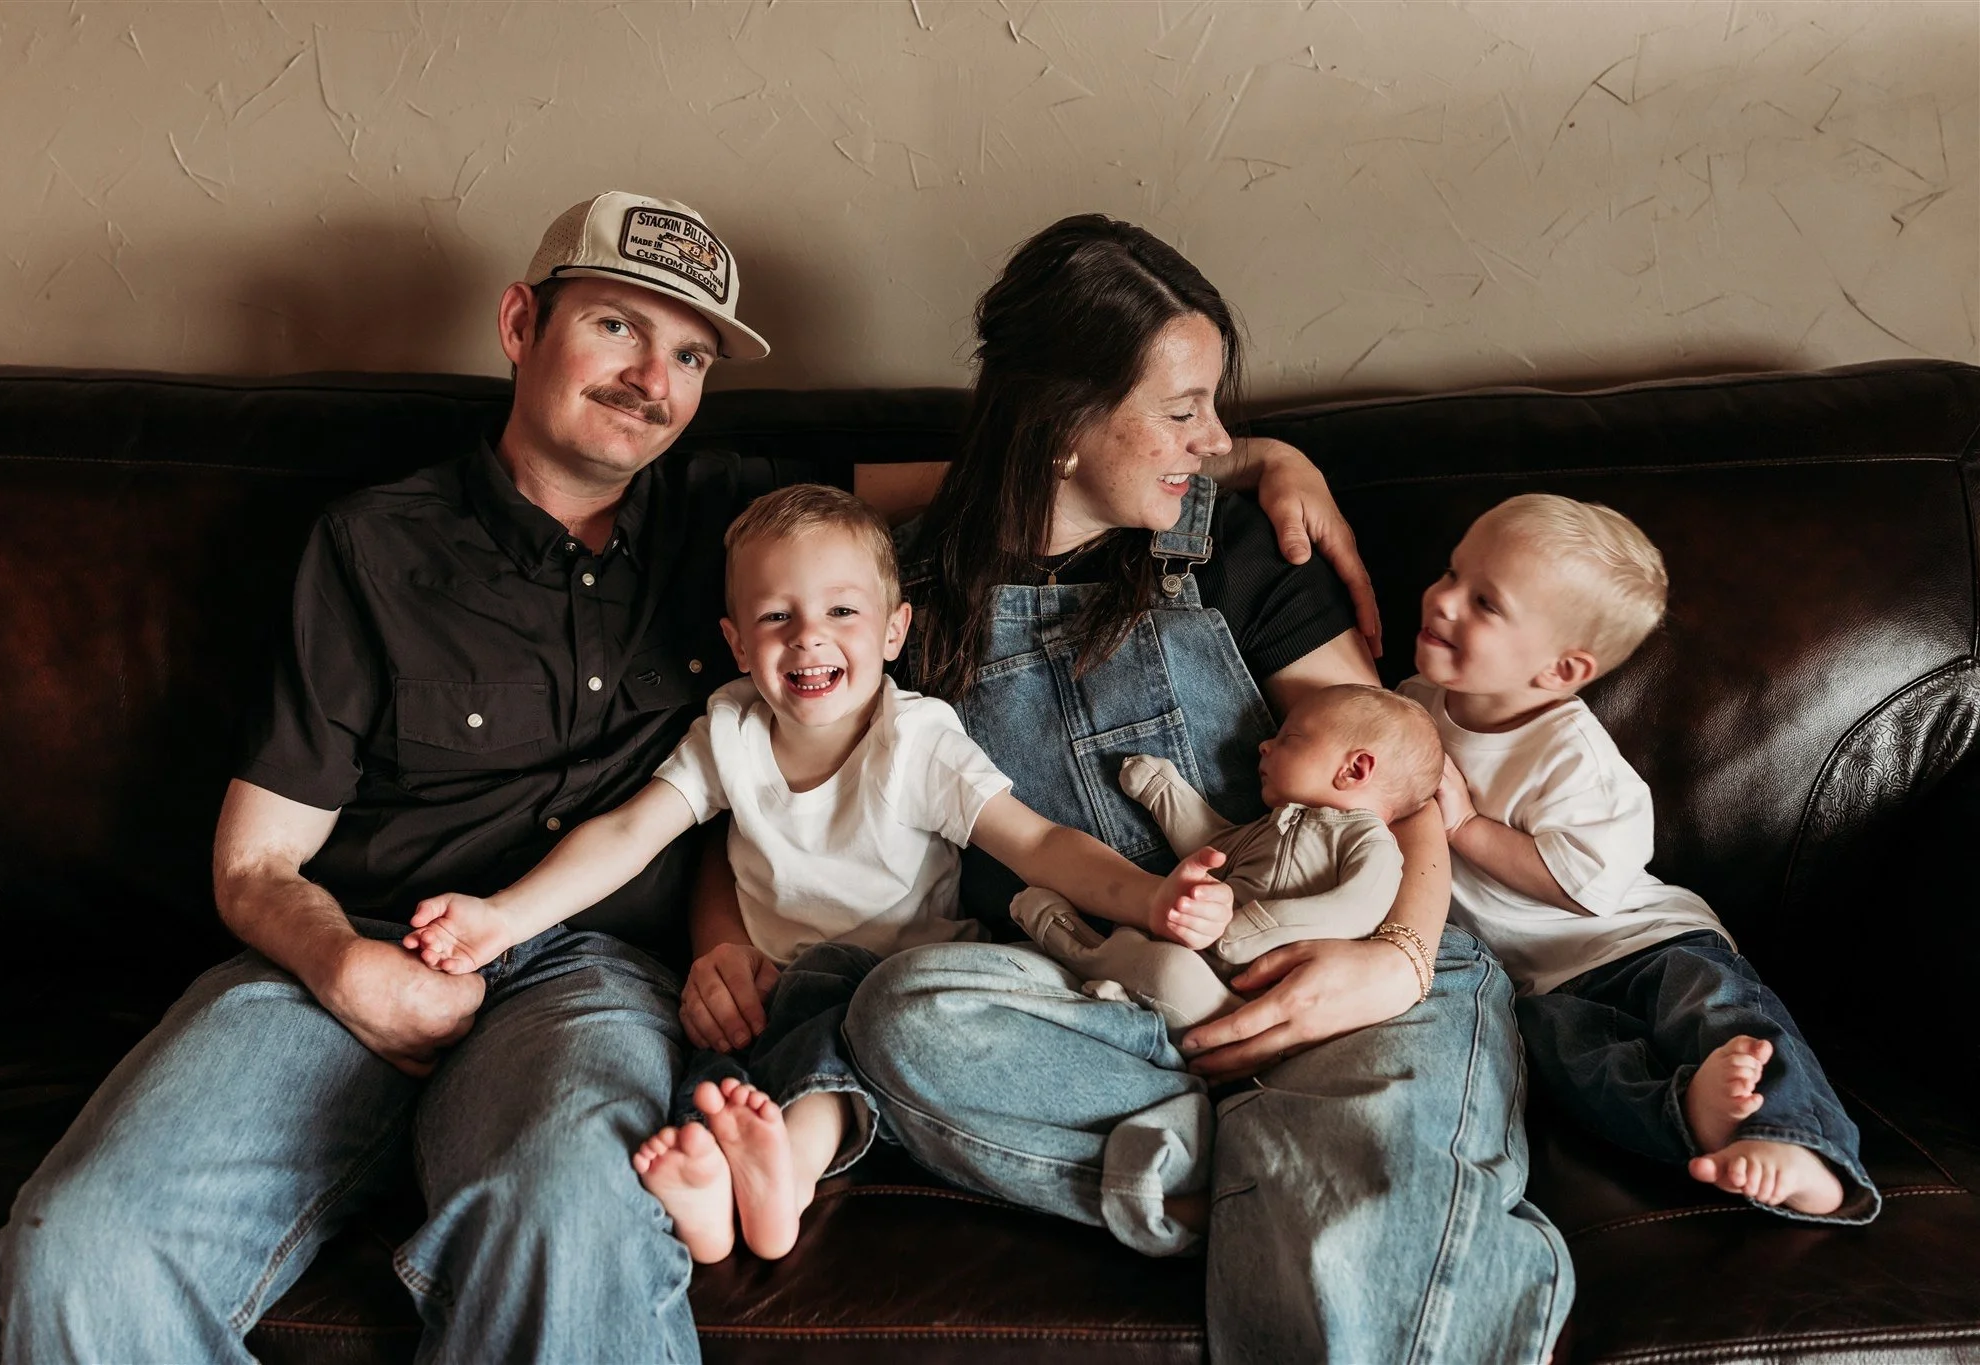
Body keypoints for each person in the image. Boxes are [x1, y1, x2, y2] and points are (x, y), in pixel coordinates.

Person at [0, 190, 1357, 1363]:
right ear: (521, 326)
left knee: (571, 1216)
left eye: (688, 355)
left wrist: (1243, 455)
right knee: (74, 1253)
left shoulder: (738, 522)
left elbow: (1025, 465)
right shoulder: (372, 545)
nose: (650, 378)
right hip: (344, 957)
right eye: (615, 325)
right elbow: (255, 864)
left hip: (584, 982)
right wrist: (350, 969)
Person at [843, 214, 1574, 1364]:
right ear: (1060, 422)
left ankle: (1261, 1173)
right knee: (898, 1015)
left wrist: (1397, 958)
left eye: (1216, 408)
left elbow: (1406, 780)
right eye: (1183, 411)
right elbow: (724, 492)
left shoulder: (1230, 546)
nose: (1218, 437)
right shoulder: (886, 587)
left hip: (1340, 962)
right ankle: (1280, 1172)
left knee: (1358, 1204)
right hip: (1108, 1002)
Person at [404, 483, 1232, 1265]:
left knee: (836, 1000)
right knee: (730, 1077)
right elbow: (627, 831)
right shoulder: (728, 729)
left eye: (842, 609)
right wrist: (504, 918)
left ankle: (776, 1182)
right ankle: (734, 1189)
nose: (808, 635)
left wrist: (1154, 896)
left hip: (906, 995)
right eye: (776, 615)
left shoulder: (915, 742)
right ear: (735, 641)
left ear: (893, 631)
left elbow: (1041, 843)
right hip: (785, 1014)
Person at [1404, 492, 1879, 1222]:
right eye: (1449, 573)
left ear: (1560, 670)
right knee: (1566, 1062)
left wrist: (1467, 828)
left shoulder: (1571, 755)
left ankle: (1801, 1143)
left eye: (1484, 602)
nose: (1441, 602)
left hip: (1640, 943)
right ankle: (1689, 1113)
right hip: (1534, 984)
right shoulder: (1416, 704)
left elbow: (1584, 882)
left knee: (1724, 1015)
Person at [1010, 682, 1442, 1032]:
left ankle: (1068, 940)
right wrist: (1165, 792)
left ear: (1355, 770)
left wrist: (1260, 926)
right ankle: (1129, 1011)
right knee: (1161, 963)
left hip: (1250, 998)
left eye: (1290, 737)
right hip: (1201, 950)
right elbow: (1212, 847)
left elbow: (1358, 907)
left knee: (1170, 973)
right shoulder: (1269, 825)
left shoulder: (1370, 842)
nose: (1264, 746)